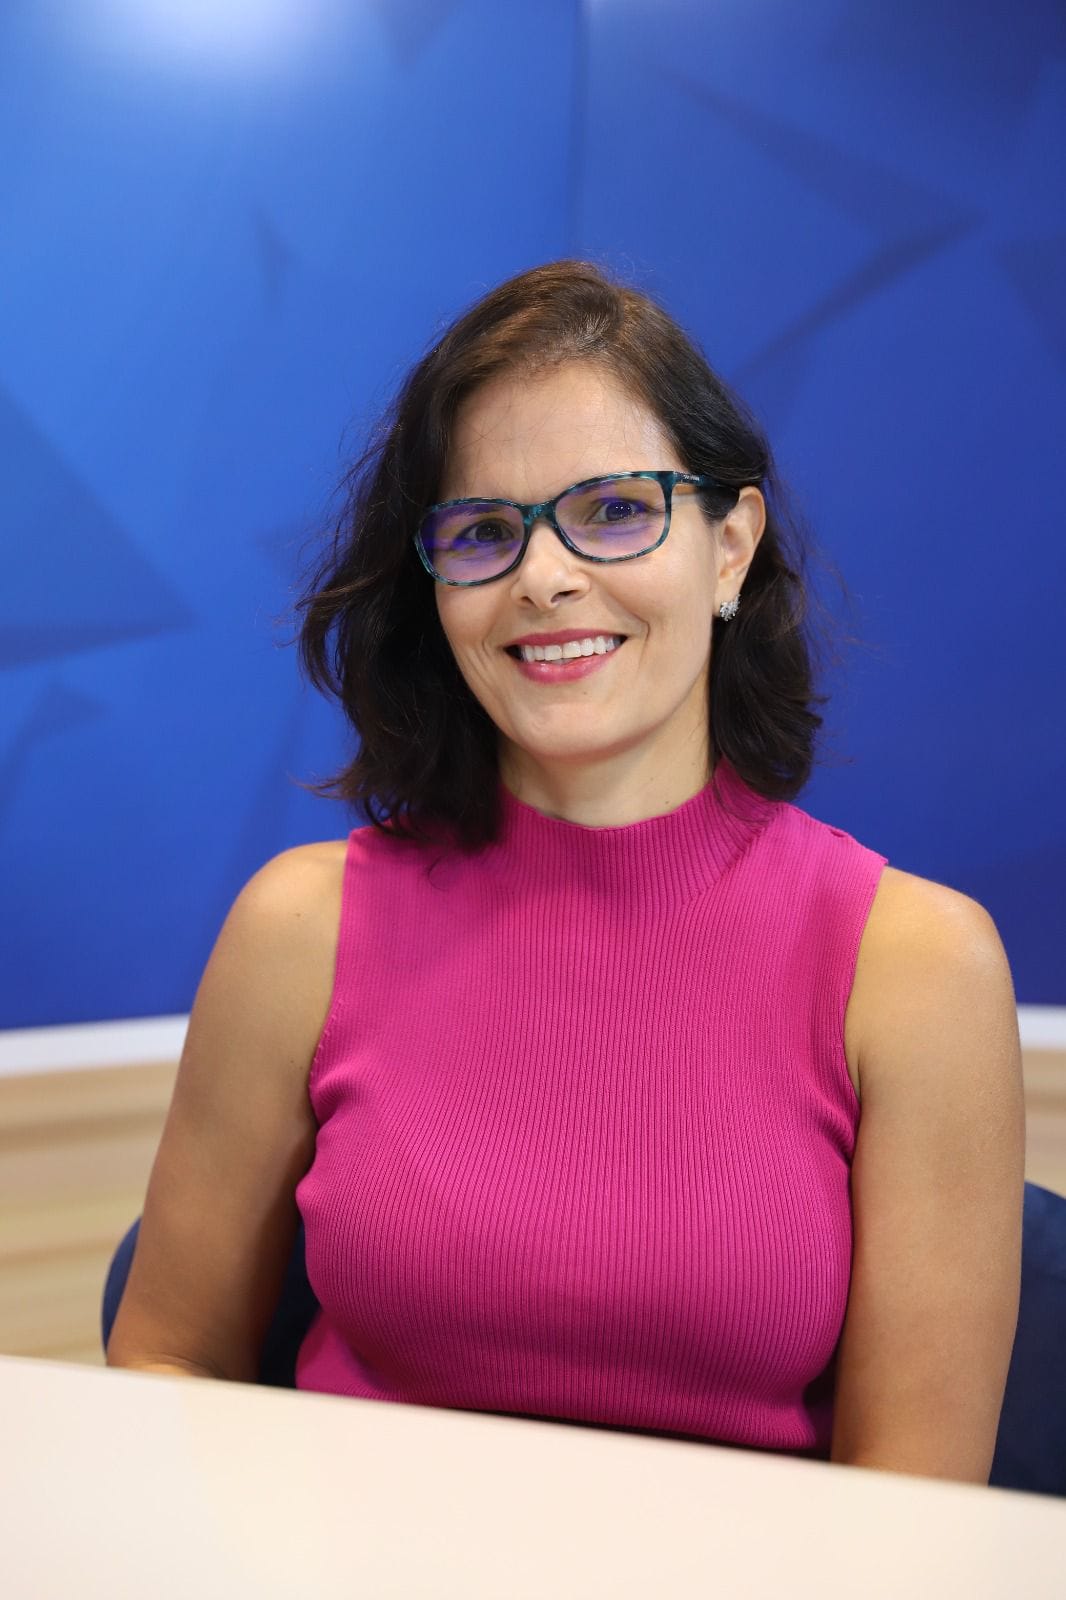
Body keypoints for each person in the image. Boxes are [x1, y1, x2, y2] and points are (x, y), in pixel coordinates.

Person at [106, 260, 1025, 1485]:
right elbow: (166, 1363)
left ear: (730, 547)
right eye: (484, 532)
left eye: (615, 510)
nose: (543, 576)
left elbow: (914, 1513)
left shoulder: (915, 969)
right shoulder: (299, 928)